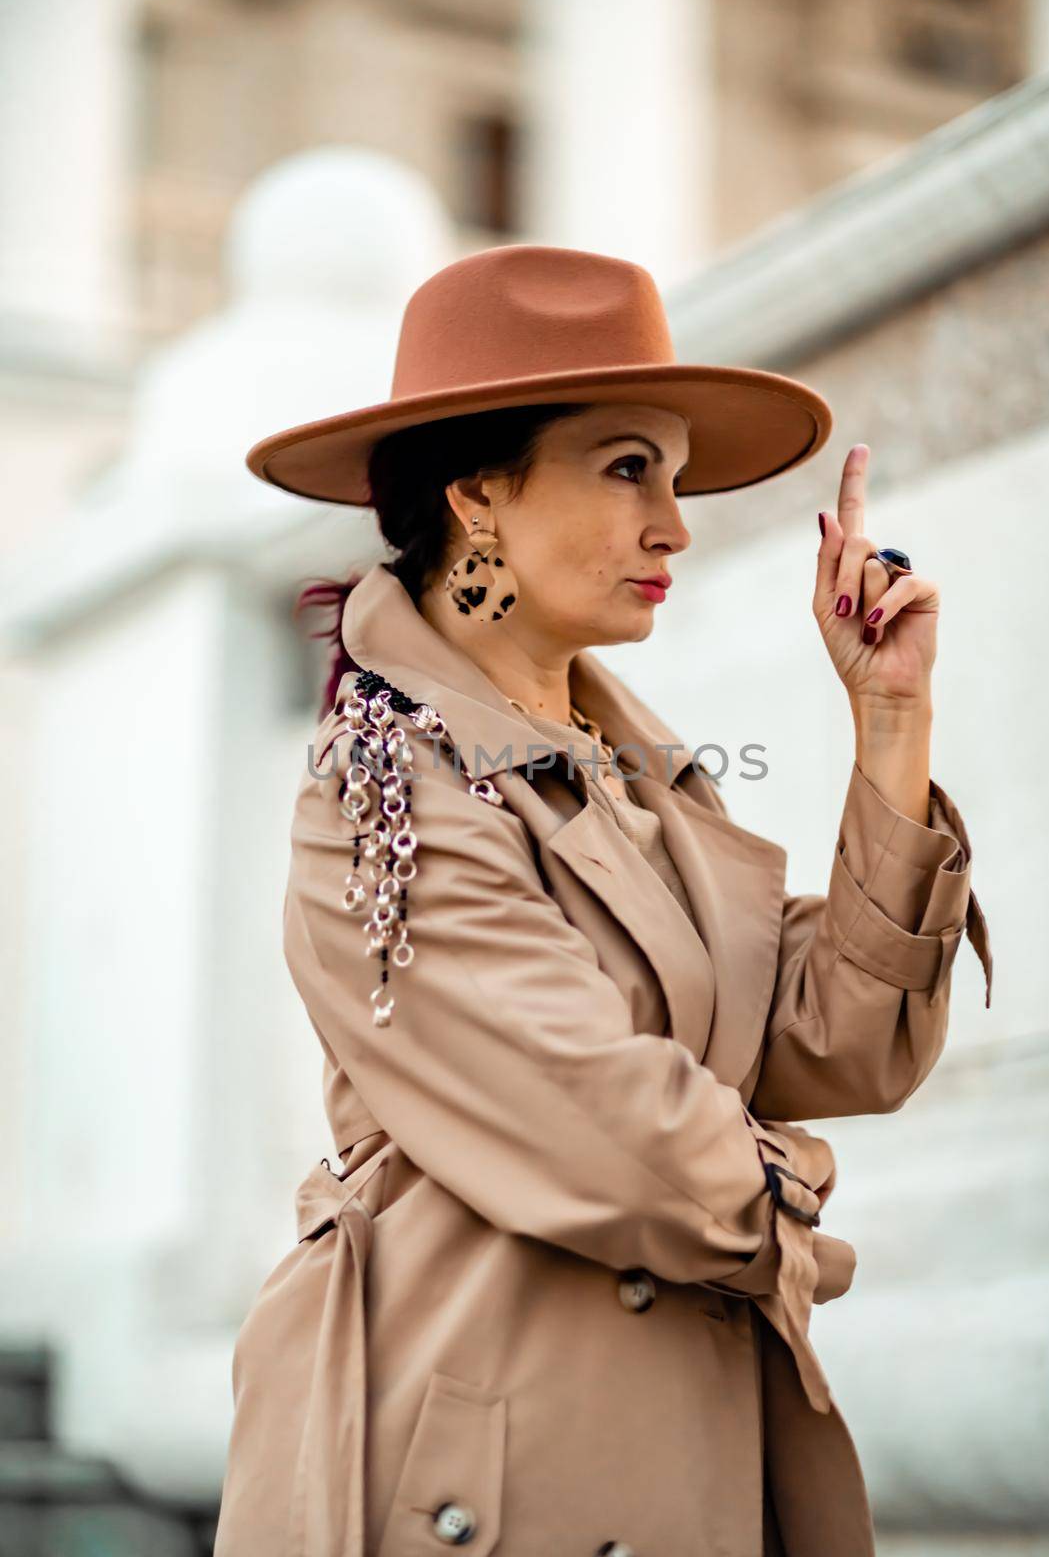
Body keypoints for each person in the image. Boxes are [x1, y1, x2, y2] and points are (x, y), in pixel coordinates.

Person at [213, 244, 992, 1557]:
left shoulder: (642, 786)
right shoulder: (381, 776)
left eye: (676, 480)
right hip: (488, 1478)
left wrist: (891, 722)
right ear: (477, 495)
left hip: (691, 1455)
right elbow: (603, 1125)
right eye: (629, 467)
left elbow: (840, 1035)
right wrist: (797, 1195)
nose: (674, 527)